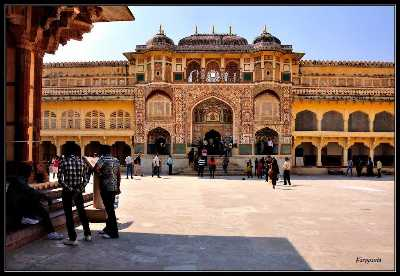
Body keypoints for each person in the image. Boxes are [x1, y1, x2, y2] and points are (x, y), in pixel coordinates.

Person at [6, 162, 64, 240]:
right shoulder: (19, 181)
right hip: (14, 210)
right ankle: (50, 232)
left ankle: (49, 231)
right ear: (26, 172)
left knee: (36, 203)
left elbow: (29, 191)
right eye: (31, 171)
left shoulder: (19, 180)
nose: (31, 173)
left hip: (16, 207)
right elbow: (30, 191)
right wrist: (45, 197)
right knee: (39, 206)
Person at [58, 143, 92, 245]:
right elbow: (86, 179)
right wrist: (79, 189)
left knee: (69, 214)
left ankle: (73, 238)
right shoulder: (82, 162)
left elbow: (60, 179)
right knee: (81, 212)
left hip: (67, 192)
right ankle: (88, 234)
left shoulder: (63, 162)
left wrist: (69, 188)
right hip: (78, 191)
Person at [94, 145, 121, 239]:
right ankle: (107, 228)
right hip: (113, 187)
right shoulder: (116, 160)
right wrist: (118, 187)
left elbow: (96, 168)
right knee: (109, 208)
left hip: (105, 187)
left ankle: (114, 233)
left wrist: (102, 175)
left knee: (110, 210)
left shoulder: (103, 159)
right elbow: (118, 175)